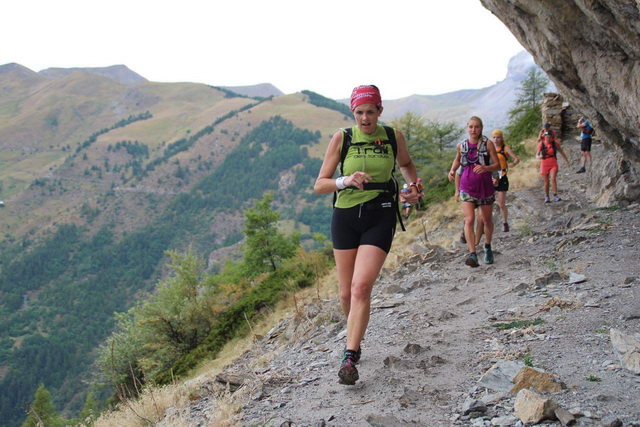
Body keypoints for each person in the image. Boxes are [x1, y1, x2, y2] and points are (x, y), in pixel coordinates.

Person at [314, 85, 419, 385]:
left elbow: (407, 165)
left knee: (361, 288)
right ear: (353, 113)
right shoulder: (343, 138)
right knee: (346, 293)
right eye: (359, 112)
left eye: (370, 111)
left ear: (379, 111)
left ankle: (349, 356)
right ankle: (355, 341)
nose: (364, 118)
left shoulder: (391, 136)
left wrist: (414, 187)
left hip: (380, 214)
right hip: (345, 217)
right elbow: (320, 184)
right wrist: (345, 180)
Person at [448, 116, 500, 268]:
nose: (474, 130)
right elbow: (457, 160)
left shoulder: (488, 144)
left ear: (481, 128)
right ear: (467, 128)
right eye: (471, 127)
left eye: (477, 127)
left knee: (487, 220)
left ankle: (488, 247)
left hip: (485, 187)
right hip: (467, 186)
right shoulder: (462, 146)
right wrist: (452, 171)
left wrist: (486, 168)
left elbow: (497, 165)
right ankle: (472, 253)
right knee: (469, 219)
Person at [489, 129, 519, 232]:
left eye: (498, 137)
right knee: (488, 202)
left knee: (501, 203)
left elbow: (516, 159)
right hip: (491, 177)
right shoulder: (490, 149)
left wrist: (512, 164)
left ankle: (505, 223)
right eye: (494, 137)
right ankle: (487, 223)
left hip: (502, 177)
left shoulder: (504, 148)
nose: (496, 139)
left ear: (501, 138)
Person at [536, 131, 570, 202]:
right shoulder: (541, 144)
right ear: (544, 137)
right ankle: (547, 197)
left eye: (549, 137)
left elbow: (562, 152)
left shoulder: (555, 144)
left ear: (552, 138)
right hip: (544, 163)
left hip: (553, 163)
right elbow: (537, 155)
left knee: (553, 178)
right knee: (546, 182)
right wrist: (539, 157)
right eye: (546, 137)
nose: (548, 138)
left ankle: (555, 195)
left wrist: (567, 162)